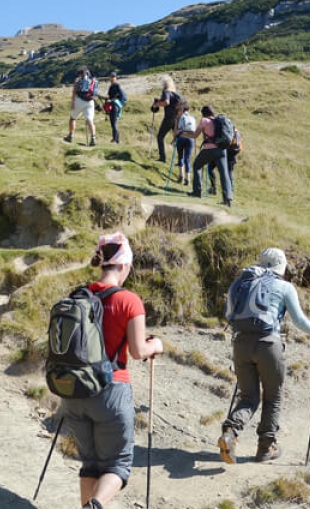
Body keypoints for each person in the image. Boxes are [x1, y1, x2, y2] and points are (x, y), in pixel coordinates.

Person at [59, 232, 164, 509]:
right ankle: (94, 506)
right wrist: (157, 345)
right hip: (111, 390)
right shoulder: (129, 301)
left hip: (74, 390)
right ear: (124, 265)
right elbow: (138, 351)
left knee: (90, 464)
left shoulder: (78, 295)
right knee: (118, 465)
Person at [219, 248, 310, 464]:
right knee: (273, 396)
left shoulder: (242, 284)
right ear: (281, 267)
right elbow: (299, 319)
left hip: (240, 343)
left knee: (249, 397)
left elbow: (228, 314)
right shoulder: (284, 287)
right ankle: (265, 447)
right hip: (268, 345)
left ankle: (231, 431)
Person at [181, 105, 232, 206]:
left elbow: (195, 135)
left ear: (203, 113)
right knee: (224, 174)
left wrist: (182, 134)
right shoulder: (218, 121)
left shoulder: (204, 120)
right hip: (222, 150)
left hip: (210, 149)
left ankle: (197, 192)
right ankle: (227, 199)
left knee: (196, 166)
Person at [151, 76, 182, 162]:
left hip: (169, 118)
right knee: (177, 138)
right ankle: (181, 160)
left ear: (164, 84)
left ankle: (162, 158)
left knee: (160, 137)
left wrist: (157, 104)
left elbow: (166, 102)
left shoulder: (166, 91)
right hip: (178, 118)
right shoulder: (176, 93)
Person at [65, 66, 98, 146]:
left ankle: (70, 136)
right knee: (90, 120)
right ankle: (93, 138)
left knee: (73, 118)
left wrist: (72, 102)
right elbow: (95, 92)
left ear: (80, 73)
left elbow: (74, 92)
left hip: (80, 101)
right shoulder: (94, 81)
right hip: (90, 102)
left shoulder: (78, 80)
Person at [172, 101, 196, 187]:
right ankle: (188, 179)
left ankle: (180, 176)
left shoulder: (179, 118)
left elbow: (176, 130)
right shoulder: (193, 118)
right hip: (190, 139)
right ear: (188, 109)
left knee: (180, 157)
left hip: (181, 138)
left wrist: (174, 139)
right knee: (187, 159)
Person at [103, 72, 126, 144]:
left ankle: (115, 139)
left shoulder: (117, 85)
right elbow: (110, 96)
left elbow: (119, 95)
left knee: (114, 123)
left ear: (116, 78)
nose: (112, 78)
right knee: (113, 123)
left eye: (113, 77)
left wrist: (111, 100)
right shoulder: (111, 86)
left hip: (115, 106)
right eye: (111, 77)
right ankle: (116, 139)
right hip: (112, 105)